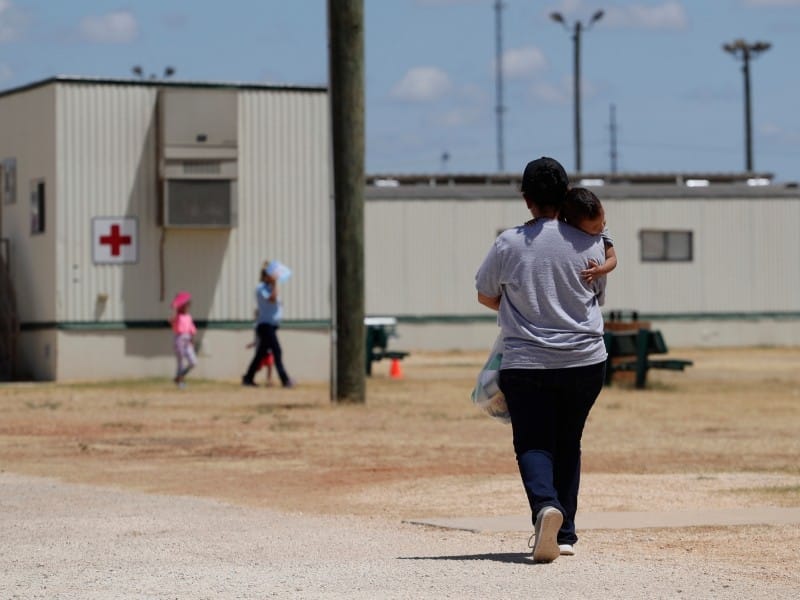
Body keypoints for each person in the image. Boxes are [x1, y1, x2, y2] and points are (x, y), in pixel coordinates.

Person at [474, 157, 607, 563]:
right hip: (585, 359)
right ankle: (565, 535)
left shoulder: (509, 243)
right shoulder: (591, 242)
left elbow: (484, 293)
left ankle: (545, 508)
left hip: (526, 360)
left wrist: (513, 305)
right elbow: (596, 297)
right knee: (569, 440)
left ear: (526, 199)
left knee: (533, 441)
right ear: (565, 194)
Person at [242, 261, 294, 388]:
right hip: (266, 326)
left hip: (271, 325)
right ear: (265, 276)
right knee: (277, 351)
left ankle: (248, 378)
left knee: (260, 354)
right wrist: (275, 284)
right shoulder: (261, 288)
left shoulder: (270, 287)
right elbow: (271, 299)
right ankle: (285, 380)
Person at [559, 186, 617, 284]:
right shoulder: (565, 228)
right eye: (595, 227)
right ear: (574, 226)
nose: (602, 227)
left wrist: (600, 270)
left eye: (603, 221)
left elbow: (612, 258)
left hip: (596, 293)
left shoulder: (603, 233)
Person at [170, 291, 197, 389]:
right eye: (186, 305)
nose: (188, 307)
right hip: (179, 340)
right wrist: (174, 311)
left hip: (188, 340)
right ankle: (180, 382)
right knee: (180, 362)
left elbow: (192, 330)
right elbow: (174, 325)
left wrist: (192, 340)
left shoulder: (189, 317)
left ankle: (179, 377)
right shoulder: (177, 317)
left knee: (193, 362)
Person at [245, 316, 274, 386]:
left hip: (268, 349)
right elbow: (257, 339)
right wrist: (252, 344)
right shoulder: (257, 326)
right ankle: (248, 377)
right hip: (261, 349)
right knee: (258, 367)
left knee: (270, 365)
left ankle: (269, 381)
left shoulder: (269, 323)